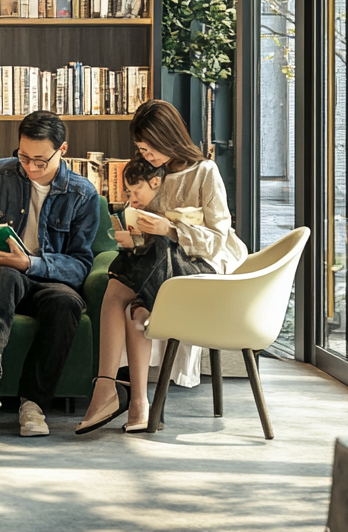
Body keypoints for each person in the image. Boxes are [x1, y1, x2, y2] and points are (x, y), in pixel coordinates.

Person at [76, 99, 248, 435]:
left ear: (169, 137)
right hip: (156, 265)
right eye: (141, 148)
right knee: (120, 291)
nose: (146, 155)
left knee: (129, 293)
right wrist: (132, 235)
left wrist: (169, 229)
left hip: (198, 269)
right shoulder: (152, 174)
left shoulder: (204, 172)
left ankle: (121, 397)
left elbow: (218, 236)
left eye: (150, 147)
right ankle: (119, 394)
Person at [0, 110, 101, 437]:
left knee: (67, 303)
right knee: (5, 274)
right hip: (0, 282)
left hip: (49, 284)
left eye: (40, 161)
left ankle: (33, 405)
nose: (30, 168)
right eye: (23, 157)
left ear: (62, 151)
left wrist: (30, 264)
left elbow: (79, 264)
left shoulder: (83, 194)